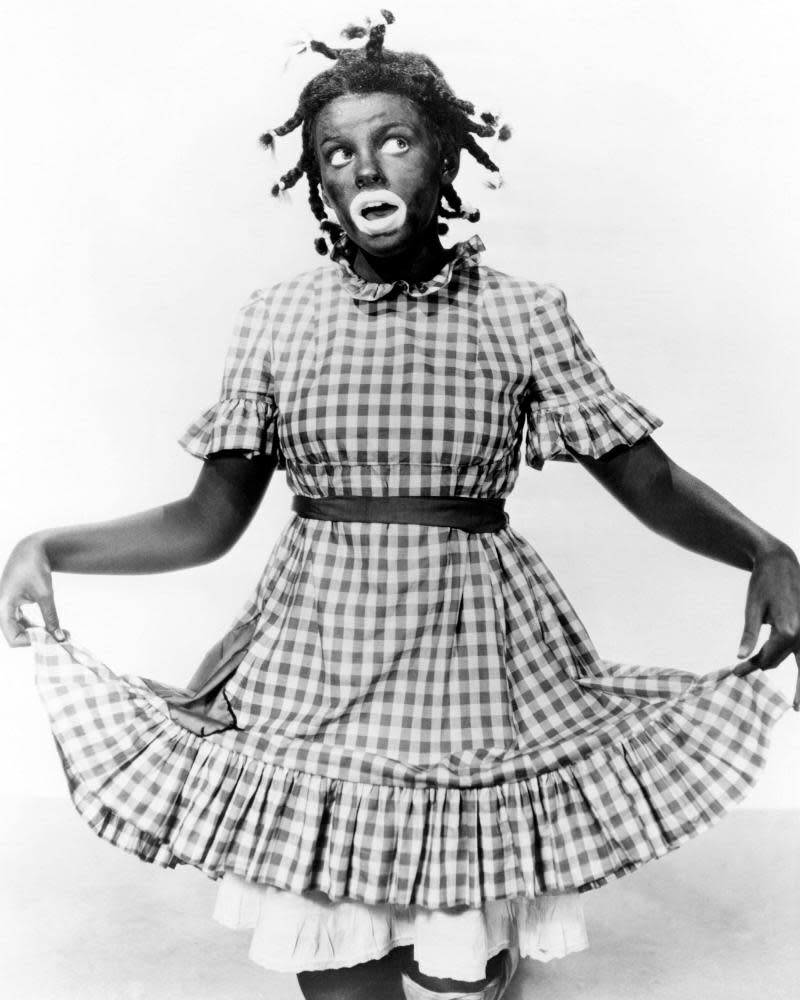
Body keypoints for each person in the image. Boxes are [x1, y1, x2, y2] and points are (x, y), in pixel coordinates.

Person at [1, 11, 798, 1000]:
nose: (366, 168)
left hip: (470, 659)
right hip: (317, 655)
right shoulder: (275, 318)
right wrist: (46, 543)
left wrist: (766, 551)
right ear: (319, 183)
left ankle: (478, 965)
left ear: (442, 155)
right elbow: (206, 520)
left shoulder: (521, 313)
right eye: (337, 153)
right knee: (339, 961)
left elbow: (645, 481)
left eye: (394, 141)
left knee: (457, 962)